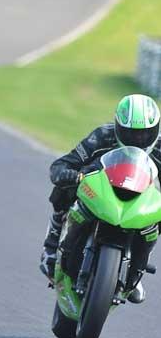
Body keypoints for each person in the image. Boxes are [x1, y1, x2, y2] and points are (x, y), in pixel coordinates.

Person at [40, 94, 161, 303]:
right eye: (130, 133)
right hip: (103, 193)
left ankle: (136, 268)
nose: (138, 140)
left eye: (144, 135)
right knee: (64, 189)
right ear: (117, 126)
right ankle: (51, 246)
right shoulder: (103, 136)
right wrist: (69, 174)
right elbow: (64, 164)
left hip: (138, 202)